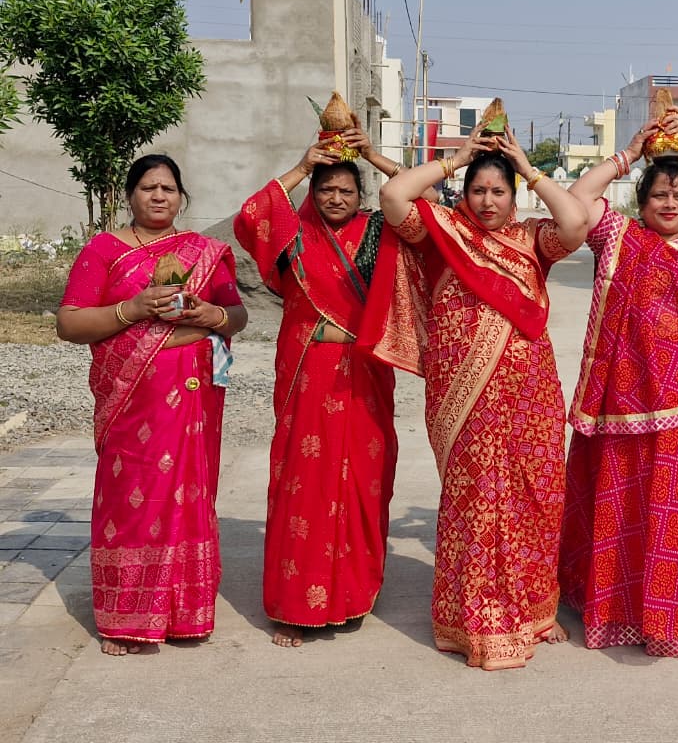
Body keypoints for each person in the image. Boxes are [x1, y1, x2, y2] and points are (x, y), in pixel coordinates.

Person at [369, 125, 588, 670]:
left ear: (515, 197)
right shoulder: (443, 232)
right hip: (463, 393)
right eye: (478, 190)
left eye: (499, 191)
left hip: (529, 390)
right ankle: (474, 619)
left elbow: (577, 222)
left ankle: (535, 608)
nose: (488, 201)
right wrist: (456, 158)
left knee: (535, 495)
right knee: (477, 500)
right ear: (463, 194)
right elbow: (395, 196)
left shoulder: (534, 239)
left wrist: (530, 168)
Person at [559, 109, 678, 657]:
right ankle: (623, 608)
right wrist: (628, 153)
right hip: (628, 406)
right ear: (640, 204)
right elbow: (577, 199)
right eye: (658, 196)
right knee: (630, 506)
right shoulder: (619, 238)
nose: (669, 204)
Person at [57, 155, 248, 655]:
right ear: (130, 195)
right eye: (148, 187)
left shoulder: (204, 251)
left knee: (188, 497)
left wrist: (213, 313)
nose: (159, 195)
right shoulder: (104, 249)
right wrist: (134, 308)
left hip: (192, 398)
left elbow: (237, 314)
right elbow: (70, 324)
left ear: (181, 195)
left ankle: (184, 613)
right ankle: (126, 620)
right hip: (131, 401)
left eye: (168, 187)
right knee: (132, 497)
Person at [234, 120, 404, 647]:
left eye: (345, 190)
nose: (335, 197)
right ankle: (294, 603)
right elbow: (249, 216)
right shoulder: (296, 234)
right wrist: (303, 165)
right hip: (307, 369)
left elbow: (424, 203)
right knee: (303, 479)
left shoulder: (379, 230)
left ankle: (352, 594)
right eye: (325, 188)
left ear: (360, 195)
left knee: (361, 478)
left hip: (364, 371)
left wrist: (373, 156)